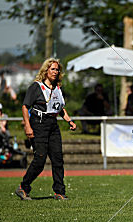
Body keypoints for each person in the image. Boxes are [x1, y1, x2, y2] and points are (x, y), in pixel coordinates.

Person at [15, 58, 77, 201]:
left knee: (57, 159)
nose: (55, 72)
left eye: (57, 69)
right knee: (40, 159)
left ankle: (59, 192)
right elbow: (25, 107)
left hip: (53, 125)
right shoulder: (36, 87)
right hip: (38, 123)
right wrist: (27, 126)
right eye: (52, 69)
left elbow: (60, 109)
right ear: (46, 70)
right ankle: (23, 187)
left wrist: (69, 121)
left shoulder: (58, 88)